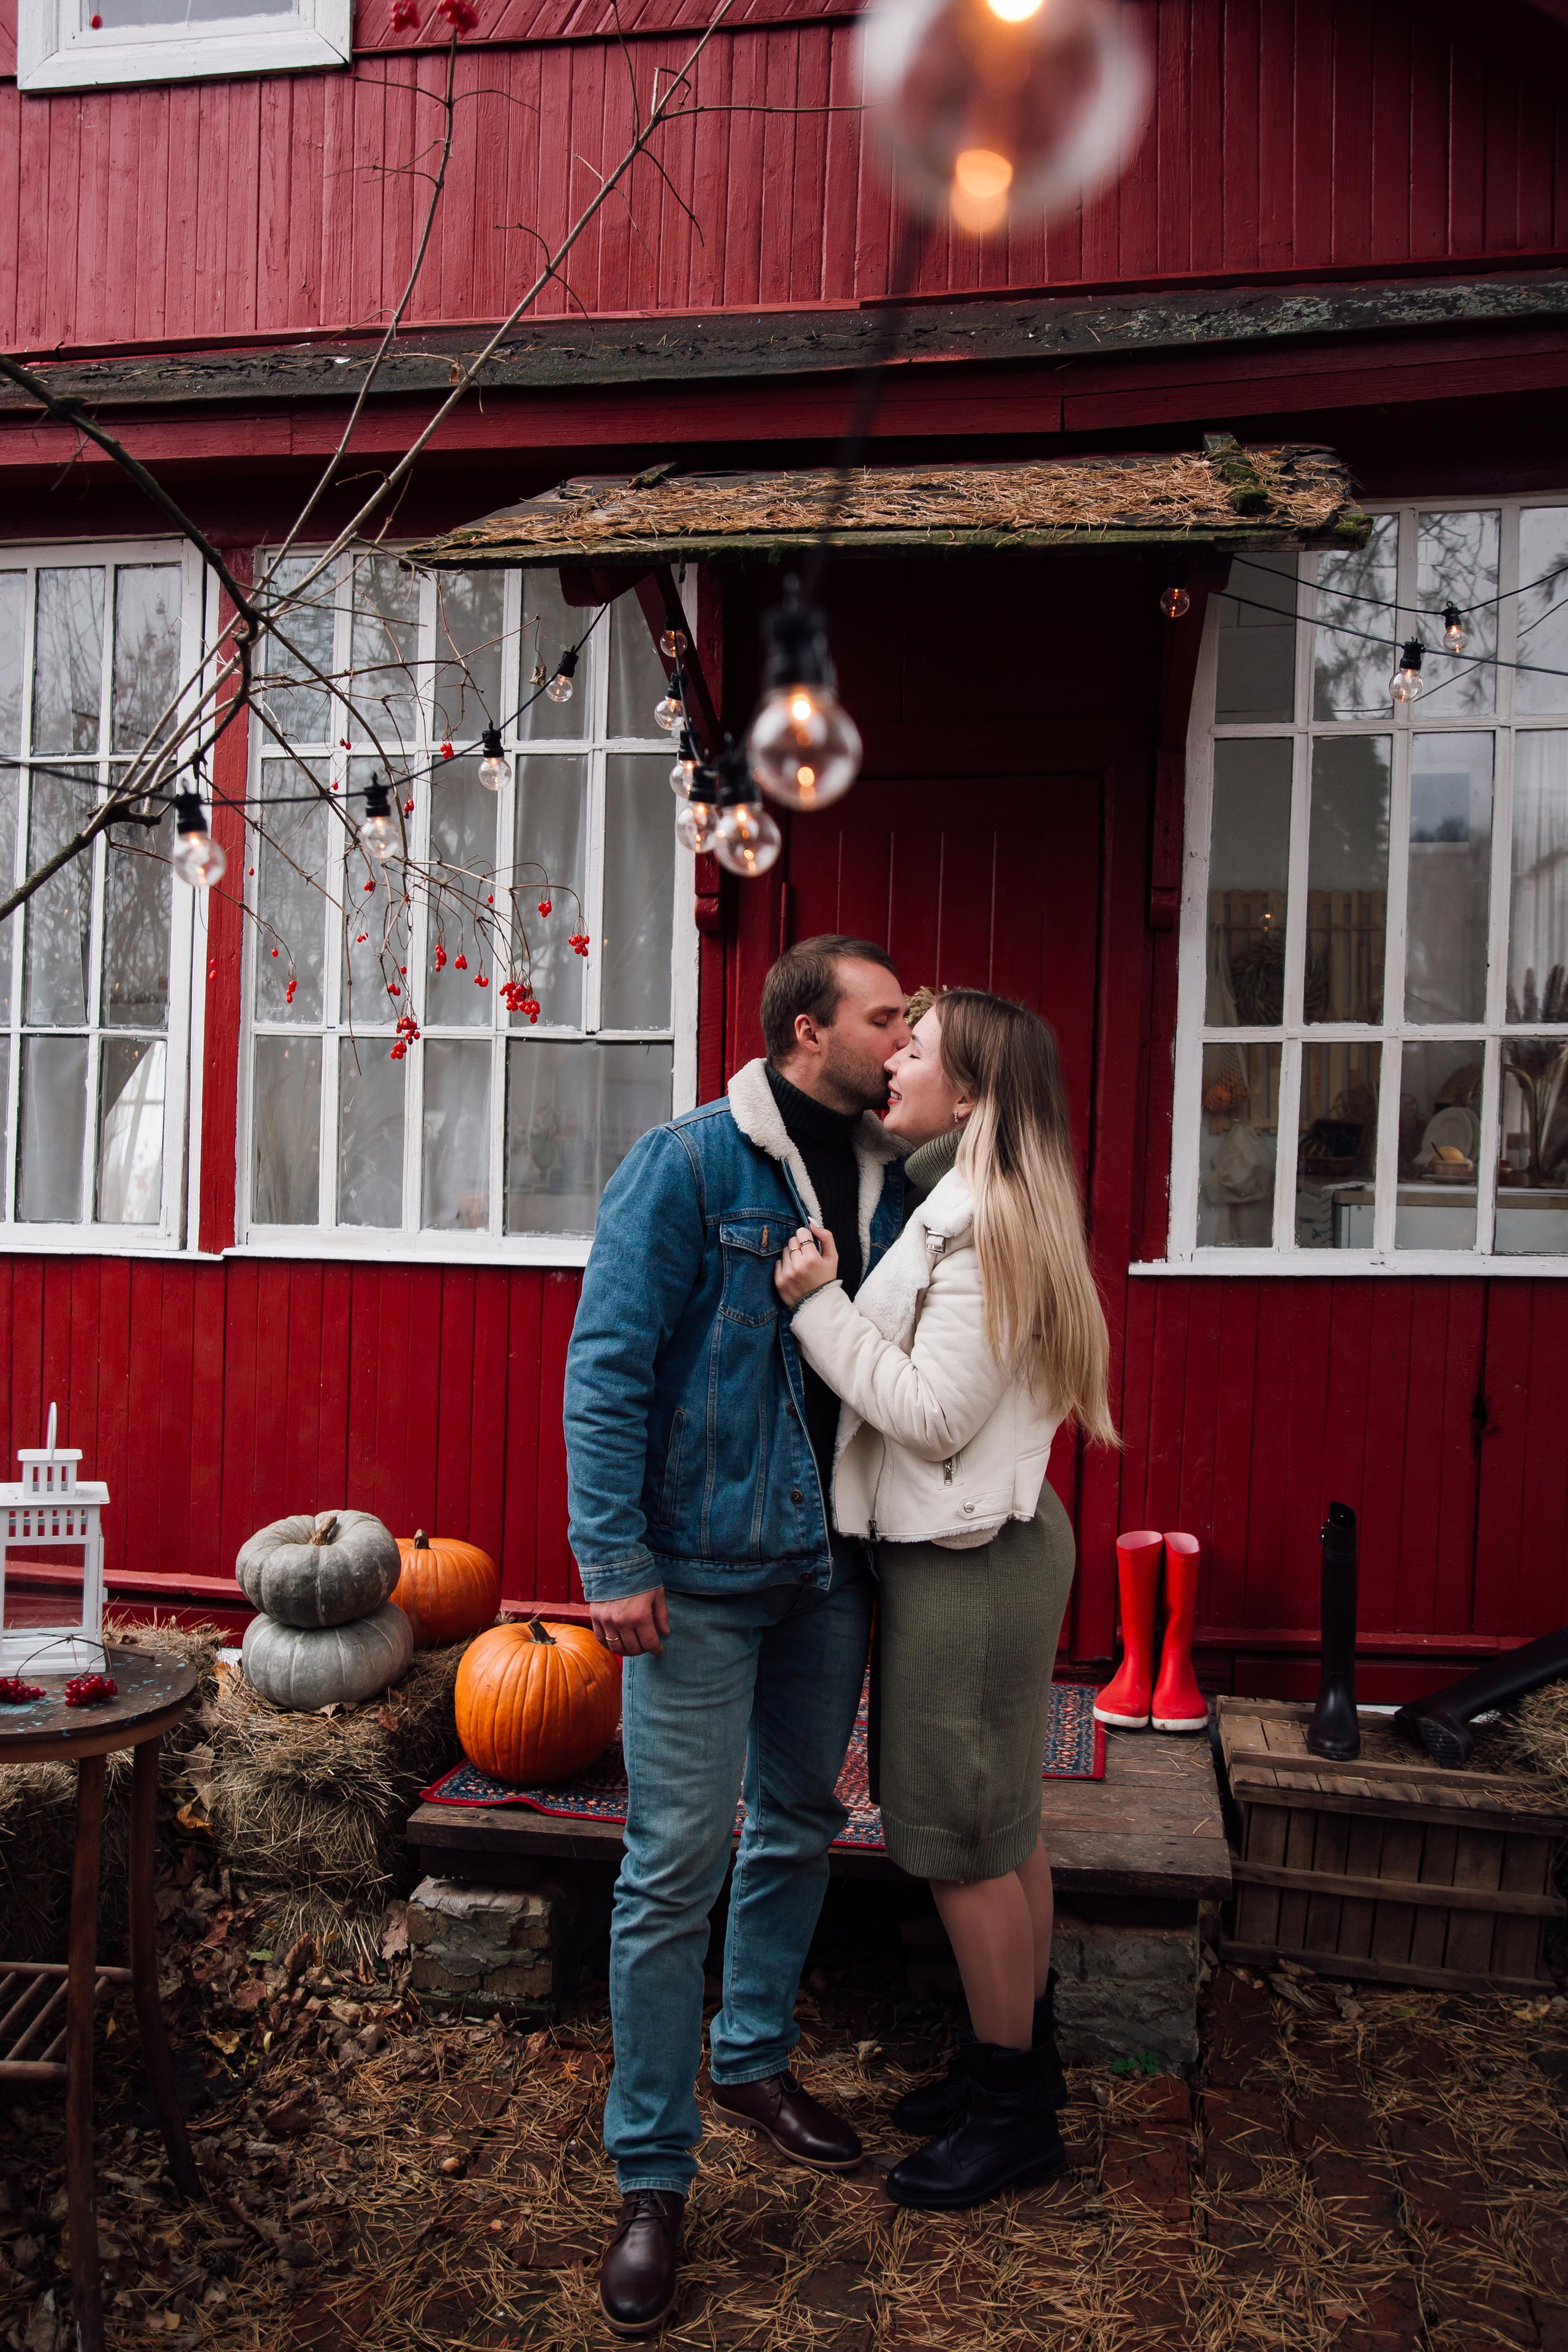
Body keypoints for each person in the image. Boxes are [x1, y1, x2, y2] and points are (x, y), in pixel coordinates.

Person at [564, 936, 911, 2339]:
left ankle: (752, 2055)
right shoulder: (689, 1164)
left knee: (799, 1821)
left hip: (832, 1565)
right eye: (883, 1016)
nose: (902, 1038)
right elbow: (607, 1363)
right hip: (697, 1573)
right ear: (806, 1029)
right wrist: (611, 1559)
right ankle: (652, 2179)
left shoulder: (897, 1175)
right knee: (669, 1868)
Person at [774, 988, 1115, 2211]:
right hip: (980, 1547)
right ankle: (1010, 2065)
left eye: (913, 1050)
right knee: (1000, 1829)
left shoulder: (981, 1222)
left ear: (968, 1093)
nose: (892, 1062)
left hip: (968, 1564)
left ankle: (1012, 2118)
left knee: (960, 1842)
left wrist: (814, 1304)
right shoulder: (972, 1198)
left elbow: (929, 1414)